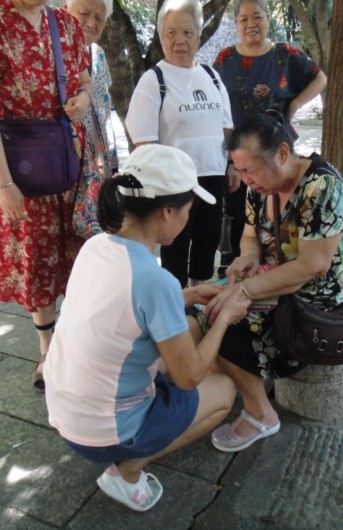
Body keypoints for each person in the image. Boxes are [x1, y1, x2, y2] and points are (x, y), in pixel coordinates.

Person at [43, 144, 249, 512]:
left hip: (65, 413)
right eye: (188, 210)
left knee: (185, 329)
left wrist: (186, 295)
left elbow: (124, 305)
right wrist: (227, 314)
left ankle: (135, 435)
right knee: (222, 392)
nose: (189, 217)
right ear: (168, 211)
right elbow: (189, 378)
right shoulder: (155, 281)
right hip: (101, 432)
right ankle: (128, 469)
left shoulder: (95, 247)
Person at [0, 0, 92, 393]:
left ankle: (78, 344)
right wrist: (3, 184)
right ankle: (48, 350)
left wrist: (83, 99)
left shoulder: (66, 24)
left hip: (69, 161)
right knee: (37, 262)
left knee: (79, 256)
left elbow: (85, 76)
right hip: (22, 168)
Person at [200, 113, 343, 452]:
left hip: (317, 295)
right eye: (239, 171)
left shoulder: (321, 186)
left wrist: (242, 291)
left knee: (220, 318)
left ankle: (261, 414)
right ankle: (250, 388)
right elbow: (249, 234)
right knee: (207, 306)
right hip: (276, 279)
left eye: (251, 170)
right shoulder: (260, 188)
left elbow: (313, 267)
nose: (245, 180)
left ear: (283, 154)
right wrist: (250, 257)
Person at [212, 0, 327, 273]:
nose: (251, 24)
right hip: (239, 153)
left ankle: (280, 264)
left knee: (280, 204)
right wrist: (229, 162)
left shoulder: (285, 54)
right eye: (243, 19)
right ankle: (242, 265)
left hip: (276, 149)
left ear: (267, 19)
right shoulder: (225, 59)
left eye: (257, 17)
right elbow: (216, 106)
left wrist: (296, 104)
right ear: (236, 24)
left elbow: (320, 78)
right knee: (241, 211)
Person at [126, 0, 233, 288]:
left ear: (199, 36)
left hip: (213, 176)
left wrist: (233, 166)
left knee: (207, 243)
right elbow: (144, 145)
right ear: (161, 36)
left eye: (188, 32)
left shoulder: (211, 76)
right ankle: (175, 308)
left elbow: (227, 130)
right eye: (171, 32)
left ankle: (198, 304)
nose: (180, 40)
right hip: (175, 184)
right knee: (175, 248)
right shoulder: (154, 80)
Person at [64, 0, 116, 238]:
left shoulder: (97, 55)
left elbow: (103, 119)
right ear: (65, 7)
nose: (91, 23)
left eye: (99, 17)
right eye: (84, 13)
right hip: (61, 175)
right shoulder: (50, 52)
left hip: (93, 179)